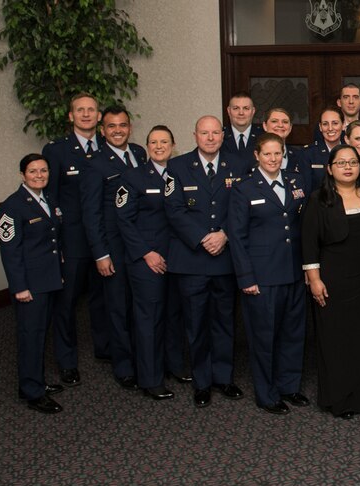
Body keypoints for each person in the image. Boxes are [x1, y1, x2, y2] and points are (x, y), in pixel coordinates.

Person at [165, 115, 245, 408]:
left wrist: (224, 234)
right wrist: (203, 237)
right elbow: (173, 210)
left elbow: (241, 207)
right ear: (194, 135)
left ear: (222, 135)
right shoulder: (177, 166)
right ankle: (202, 382)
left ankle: (224, 377)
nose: (210, 138)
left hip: (225, 258)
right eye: (204, 133)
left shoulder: (237, 164)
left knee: (224, 320)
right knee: (196, 322)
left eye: (215, 133)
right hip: (192, 259)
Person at [228, 133, 311, 415]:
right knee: (264, 338)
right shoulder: (244, 188)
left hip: (293, 271)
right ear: (257, 156)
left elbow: (301, 224)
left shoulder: (295, 181)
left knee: (293, 334)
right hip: (262, 277)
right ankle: (266, 394)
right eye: (268, 154)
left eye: (278, 154)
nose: (273, 159)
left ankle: (289, 386)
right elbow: (237, 238)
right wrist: (246, 278)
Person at [302, 145, 360, 419]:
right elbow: (309, 244)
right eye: (341, 163)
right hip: (333, 280)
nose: (347, 167)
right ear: (329, 168)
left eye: (353, 162)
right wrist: (314, 279)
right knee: (336, 339)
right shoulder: (319, 199)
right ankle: (339, 399)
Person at [42, 92, 107, 387]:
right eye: (80, 110)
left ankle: (104, 348)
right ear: (71, 116)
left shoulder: (109, 146)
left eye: (91, 110)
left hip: (105, 240)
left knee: (103, 297)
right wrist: (57, 245)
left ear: (99, 116)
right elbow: (50, 199)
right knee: (66, 303)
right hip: (73, 240)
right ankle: (67, 361)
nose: (85, 114)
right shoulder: (56, 151)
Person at [116, 125, 183, 400]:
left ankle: (173, 366)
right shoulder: (132, 178)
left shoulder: (180, 173)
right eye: (153, 142)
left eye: (164, 141)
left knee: (173, 316)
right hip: (147, 261)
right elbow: (124, 220)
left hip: (177, 258)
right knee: (149, 319)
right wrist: (147, 253)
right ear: (146, 146)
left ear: (173, 144)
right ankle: (150, 378)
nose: (159, 146)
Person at [83, 105, 147, 390]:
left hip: (142, 245)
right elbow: (91, 213)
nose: (118, 130)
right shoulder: (95, 164)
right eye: (112, 126)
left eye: (122, 125)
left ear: (130, 127)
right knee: (119, 307)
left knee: (141, 305)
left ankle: (144, 358)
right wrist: (101, 253)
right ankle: (124, 366)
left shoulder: (141, 154)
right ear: (102, 130)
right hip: (115, 248)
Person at [0, 154, 65, 413]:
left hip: (49, 279)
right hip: (30, 285)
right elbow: (10, 252)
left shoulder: (48, 199)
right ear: (22, 175)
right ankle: (32, 392)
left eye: (44, 170)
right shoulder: (12, 207)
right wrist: (19, 287)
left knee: (40, 334)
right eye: (33, 171)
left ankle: (34, 381)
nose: (39, 175)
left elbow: (53, 241)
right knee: (30, 337)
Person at [300, 106, 346, 189]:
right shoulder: (308, 154)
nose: (330, 128)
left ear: (343, 125)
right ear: (320, 127)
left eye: (335, 123)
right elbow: (306, 189)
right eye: (325, 124)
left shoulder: (350, 151)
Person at [222, 91, 261, 171]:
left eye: (246, 108)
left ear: (253, 111)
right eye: (236, 108)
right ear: (229, 111)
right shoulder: (219, 136)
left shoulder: (263, 136)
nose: (241, 113)